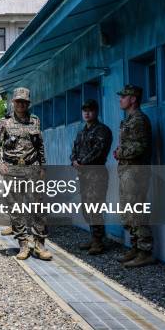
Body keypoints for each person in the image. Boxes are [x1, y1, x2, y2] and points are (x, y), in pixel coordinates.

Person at [0, 87, 51, 261]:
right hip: (12, 169)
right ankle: (23, 244)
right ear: (13, 102)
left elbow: (40, 146)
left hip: (32, 168)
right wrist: (0, 164)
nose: (21, 105)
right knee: (16, 209)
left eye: (24, 102)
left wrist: (43, 167)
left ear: (28, 103)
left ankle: (39, 245)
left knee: (38, 207)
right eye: (18, 101)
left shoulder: (35, 121)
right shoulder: (4, 122)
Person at [114, 84, 155, 268]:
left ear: (133, 99)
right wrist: (121, 152)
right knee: (129, 212)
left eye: (124, 97)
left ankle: (145, 252)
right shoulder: (130, 119)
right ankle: (135, 248)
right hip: (127, 171)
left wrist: (120, 153)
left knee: (137, 211)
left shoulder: (138, 120)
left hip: (136, 172)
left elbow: (141, 147)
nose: (121, 99)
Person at [70, 99, 112, 255]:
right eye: (84, 110)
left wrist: (81, 163)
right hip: (83, 175)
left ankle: (98, 241)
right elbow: (74, 149)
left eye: (90, 110)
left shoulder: (102, 130)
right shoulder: (82, 132)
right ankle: (94, 237)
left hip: (96, 174)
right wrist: (73, 161)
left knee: (95, 207)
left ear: (96, 112)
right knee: (86, 207)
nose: (87, 113)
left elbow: (98, 152)